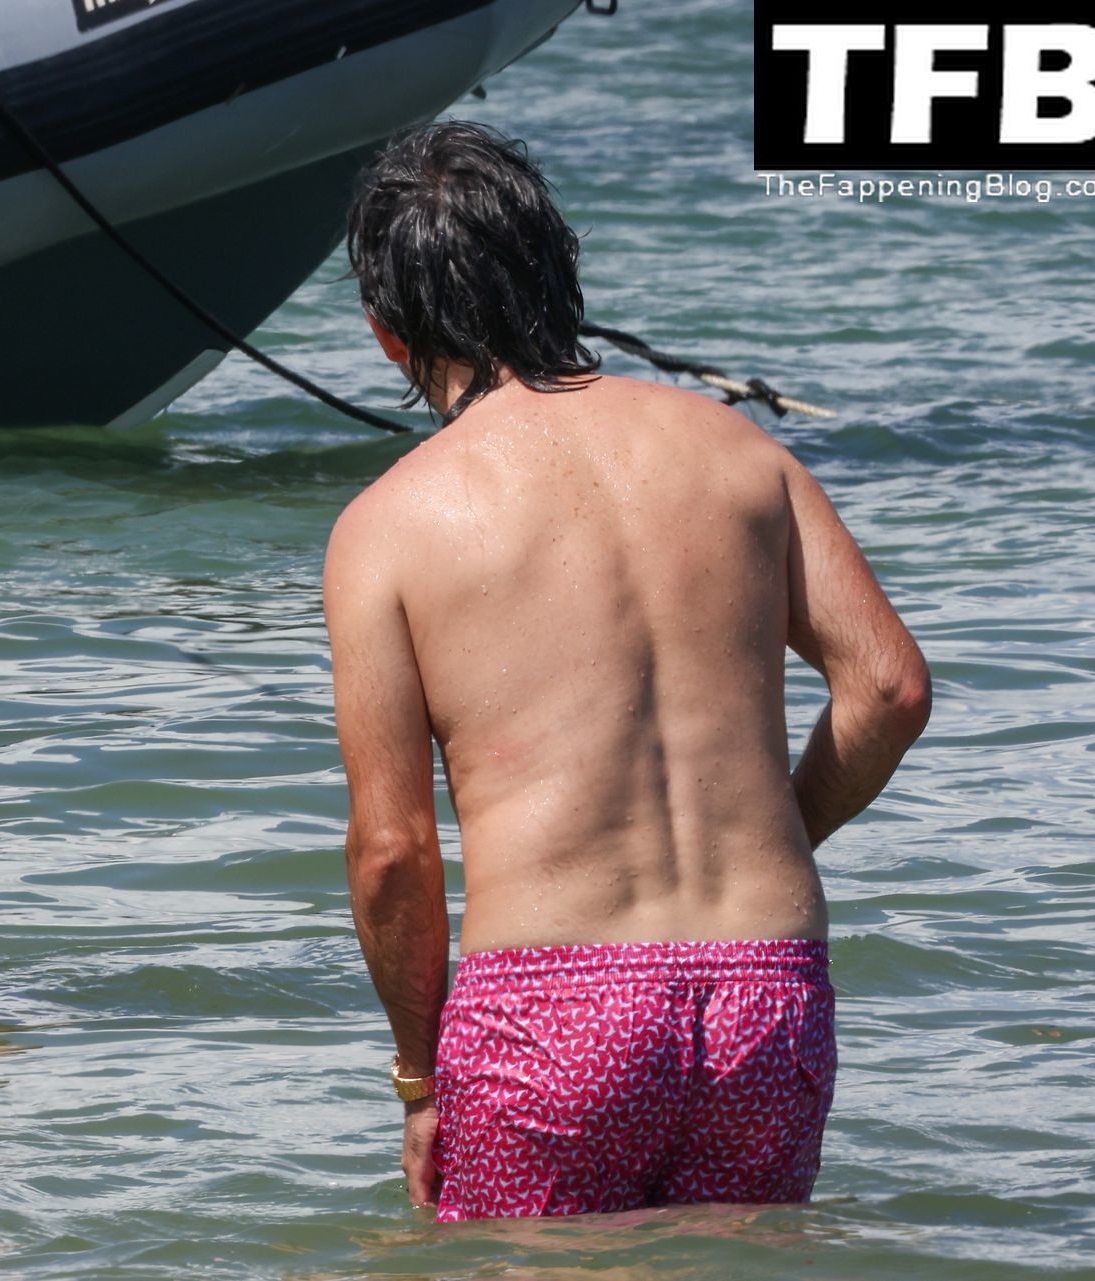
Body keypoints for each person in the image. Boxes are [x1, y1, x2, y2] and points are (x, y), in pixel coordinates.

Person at [325, 123, 930, 1221]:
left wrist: (418, 1081)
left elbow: (392, 853)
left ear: (385, 333)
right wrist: (780, 830)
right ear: (560, 272)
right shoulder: (744, 455)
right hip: (764, 994)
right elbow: (888, 689)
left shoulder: (389, 527)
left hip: (551, 1017)